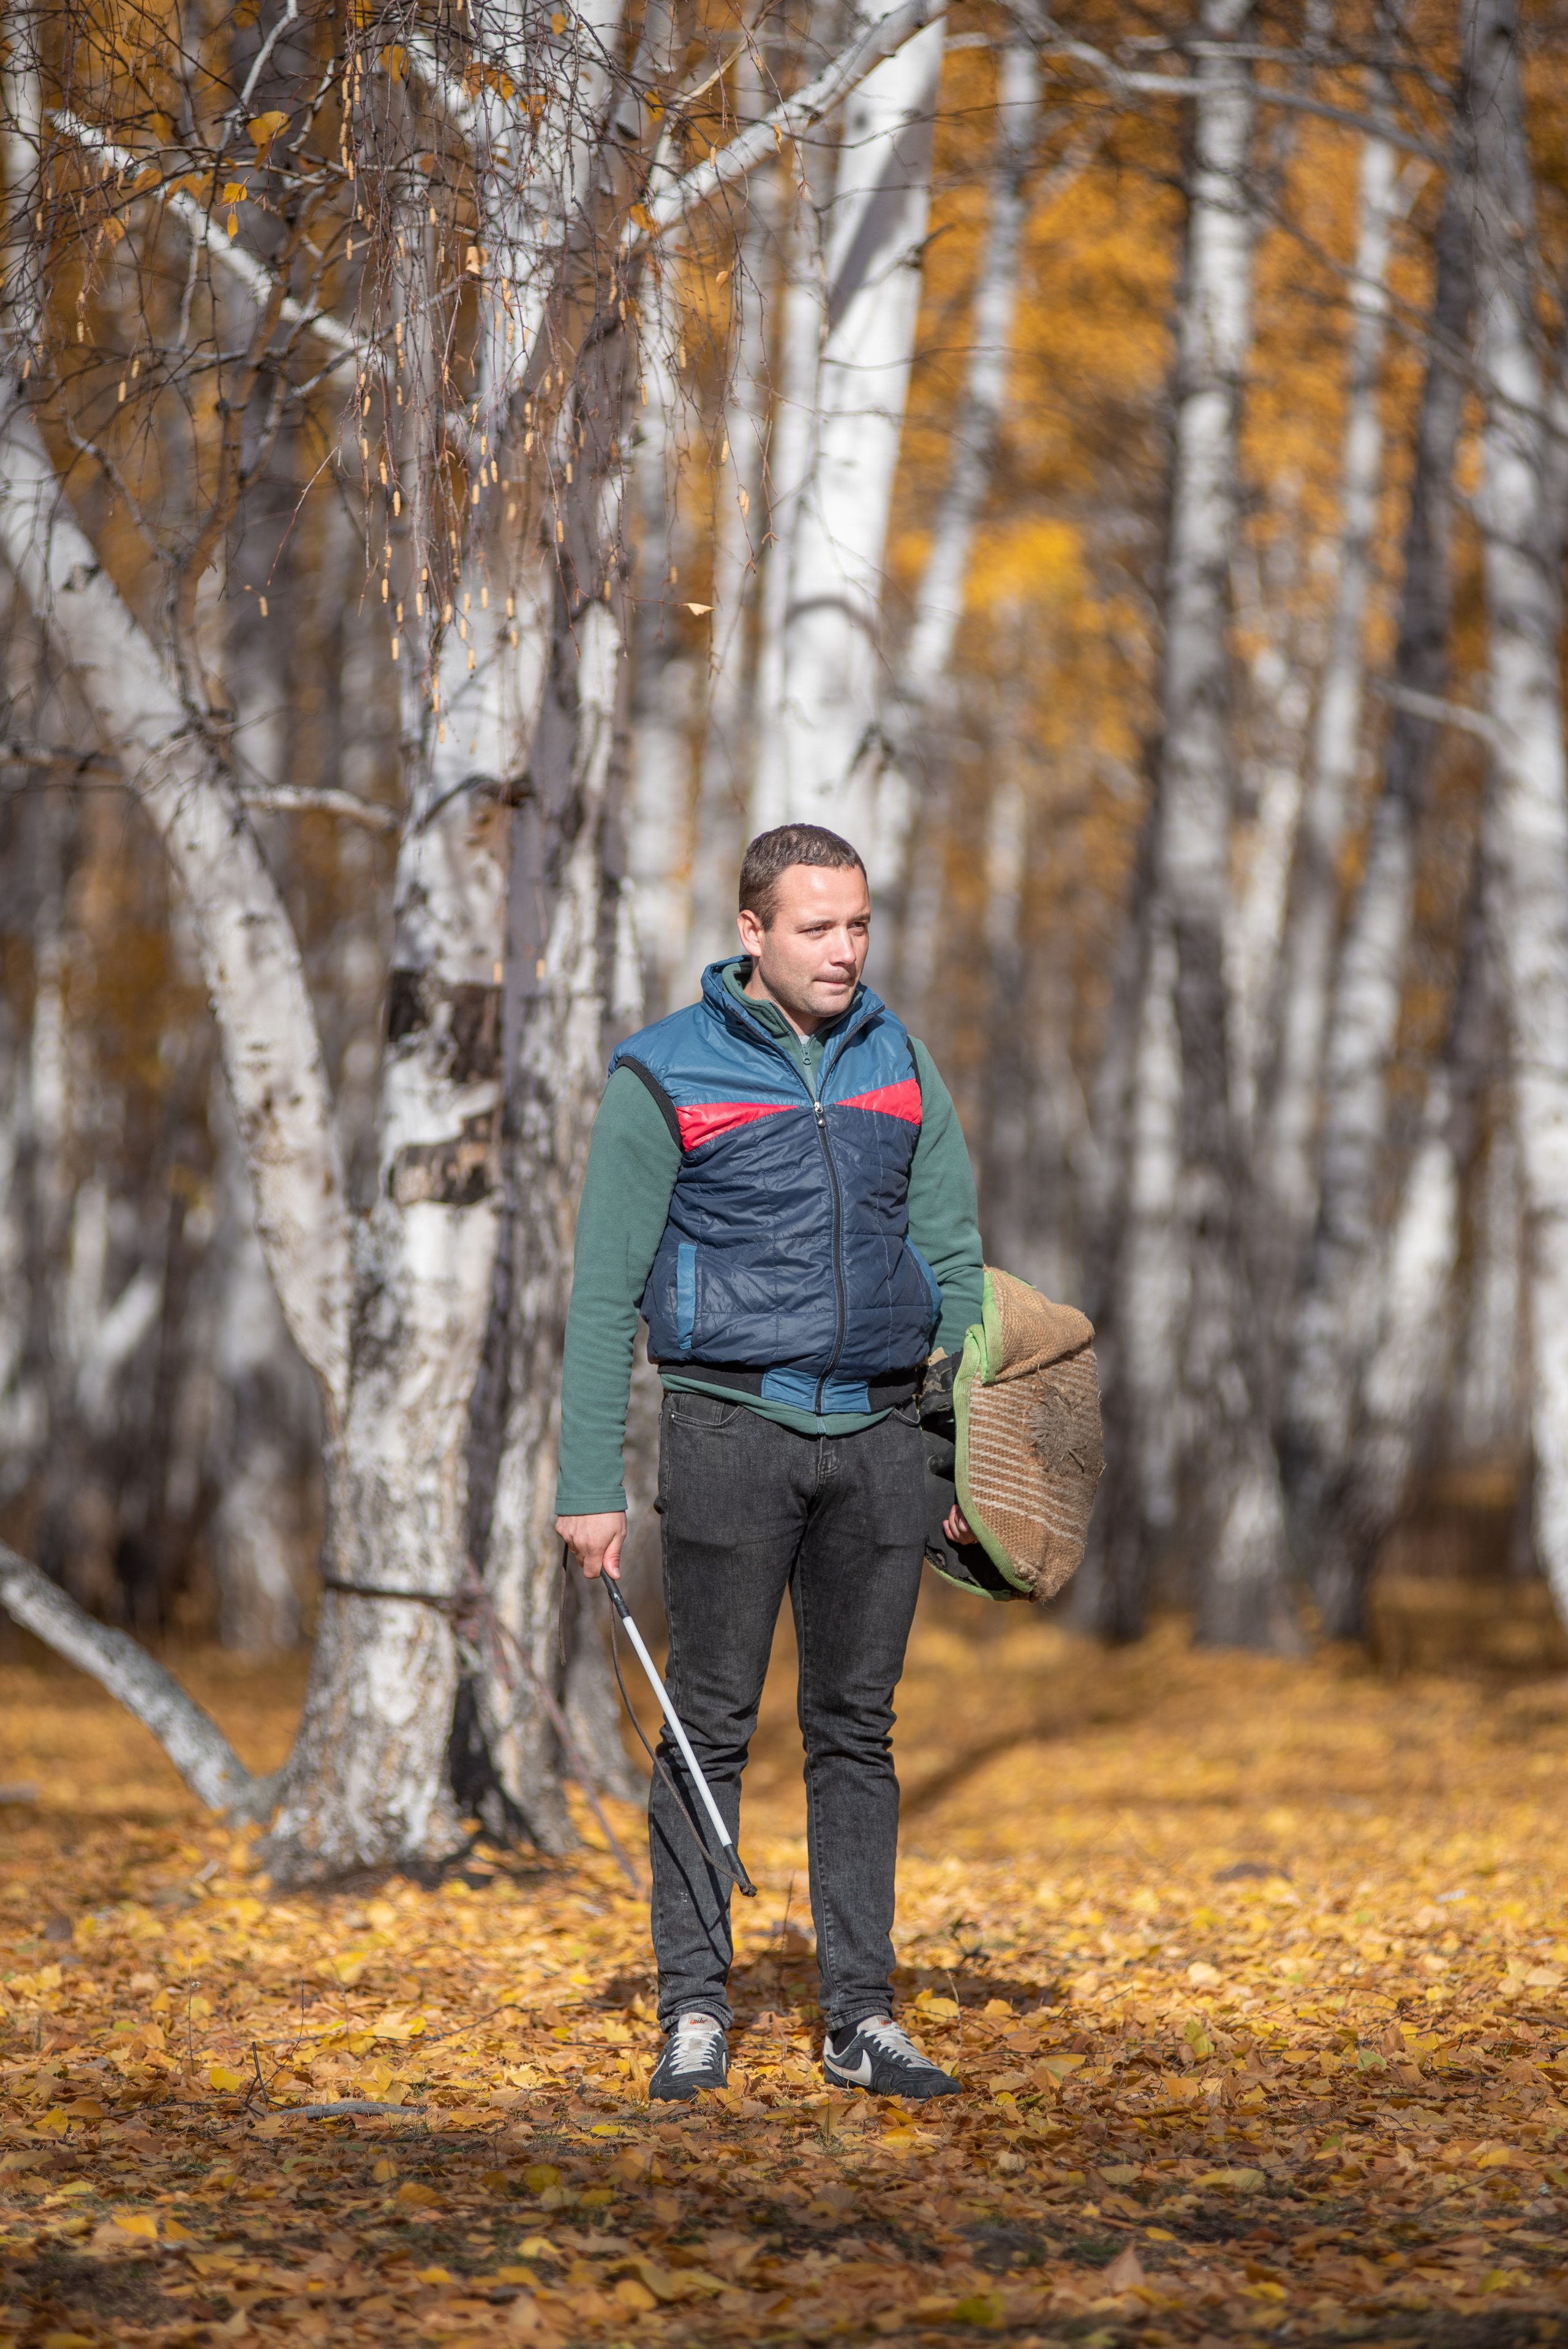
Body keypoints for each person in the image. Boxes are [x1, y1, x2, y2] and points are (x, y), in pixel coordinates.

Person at [555, 823, 983, 2104]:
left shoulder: (901, 1065)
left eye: (858, 925)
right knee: (706, 1731)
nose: (844, 950)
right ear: (752, 933)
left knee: (855, 1733)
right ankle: (693, 2009)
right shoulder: (661, 1073)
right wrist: (589, 1482)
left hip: (879, 1439)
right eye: (816, 927)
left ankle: (860, 2016)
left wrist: (959, 1459)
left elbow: (954, 1264)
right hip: (726, 1430)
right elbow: (599, 1297)